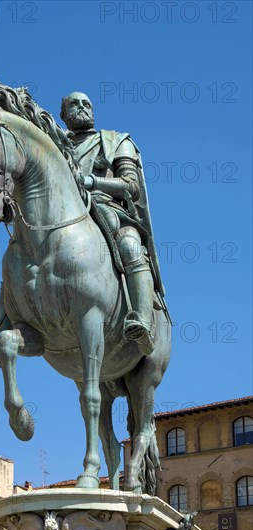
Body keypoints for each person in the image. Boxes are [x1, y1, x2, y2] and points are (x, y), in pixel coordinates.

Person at [60, 92, 165, 355]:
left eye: (87, 104)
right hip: (63, 214)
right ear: (63, 115)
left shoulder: (116, 141)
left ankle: (142, 322)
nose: (82, 108)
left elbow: (131, 186)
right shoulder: (56, 145)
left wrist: (94, 182)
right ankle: (5, 323)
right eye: (74, 104)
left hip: (108, 208)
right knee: (20, 246)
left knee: (130, 244)